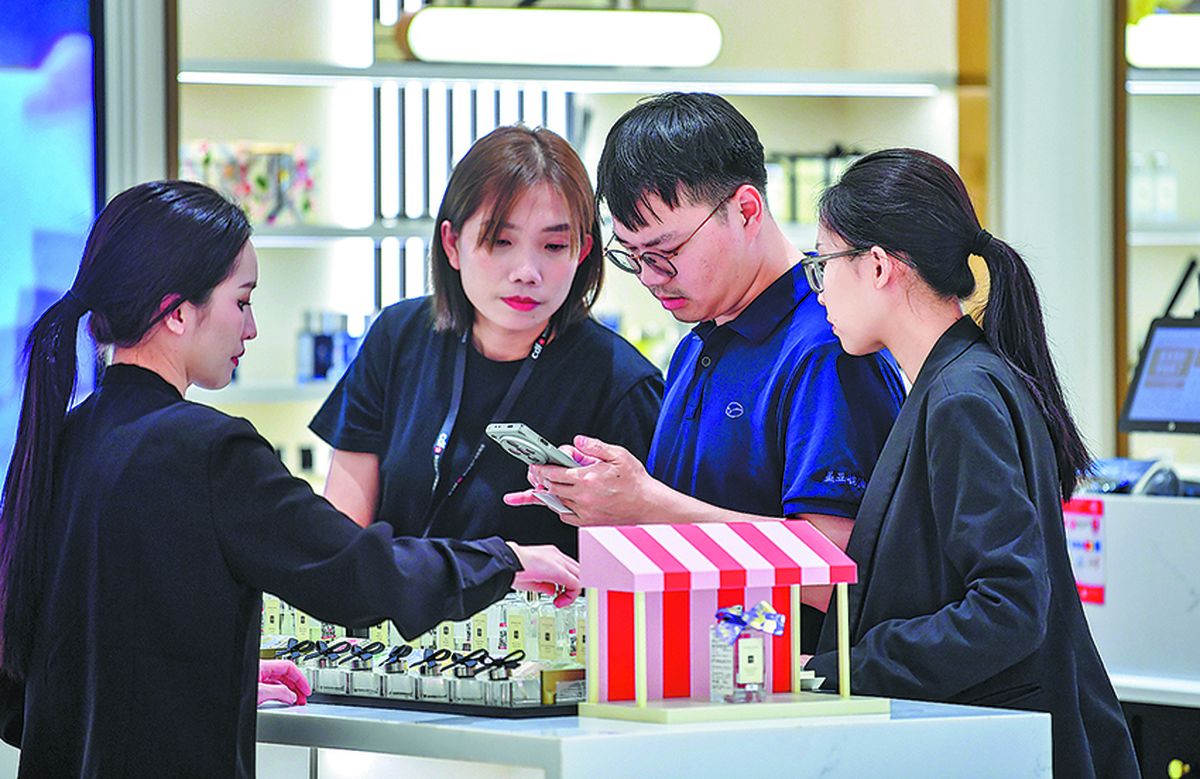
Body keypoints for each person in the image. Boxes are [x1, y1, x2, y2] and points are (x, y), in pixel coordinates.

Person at [0, 180, 580, 778]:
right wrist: (501, 560)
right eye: (242, 301)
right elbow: (355, 571)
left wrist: (211, 676)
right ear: (176, 312)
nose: (250, 330)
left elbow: (48, 666)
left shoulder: (63, 441)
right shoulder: (210, 450)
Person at [505, 93, 906, 650]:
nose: (650, 276)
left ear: (745, 210)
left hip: (791, 698)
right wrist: (607, 501)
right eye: (633, 256)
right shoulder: (698, 345)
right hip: (693, 682)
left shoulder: (827, 348)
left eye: (665, 250)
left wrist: (648, 504)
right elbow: (689, 532)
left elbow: (839, 571)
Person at [802, 148, 1138, 777]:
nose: (819, 290)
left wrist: (851, 665)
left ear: (877, 266)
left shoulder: (961, 397)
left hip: (1000, 745)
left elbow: (1008, 608)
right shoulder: (960, 380)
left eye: (823, 265)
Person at [311, 125, 662, 558]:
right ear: (452, 243)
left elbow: (640, 563)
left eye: (554, 245)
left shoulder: (621, 381)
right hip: (393, 619)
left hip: (545, 623)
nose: (526, 271)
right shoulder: (397, 336)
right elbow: (342, 537)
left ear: (583, 252)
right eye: (500, 241)